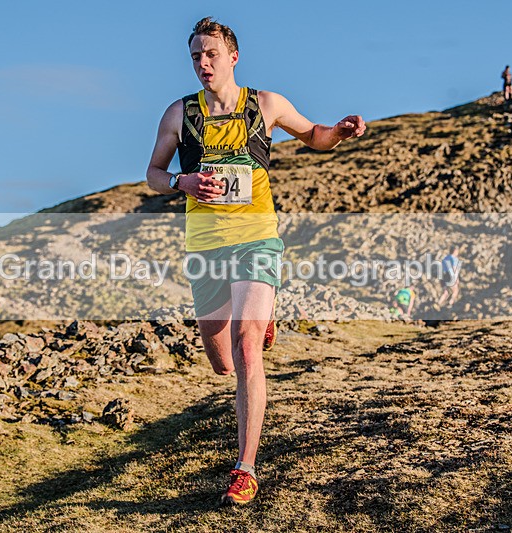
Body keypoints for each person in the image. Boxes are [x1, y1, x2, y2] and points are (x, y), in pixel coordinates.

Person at [146, 17, 366, 506]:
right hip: (205, 246)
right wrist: (181, 183)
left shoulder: (266, 105)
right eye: (195, 57)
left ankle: (245, 468)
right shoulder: (179, 114)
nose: (203, 64)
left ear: (233, 57)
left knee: (248, 351)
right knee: (221, 361)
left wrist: (341, 131)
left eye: (210, 54)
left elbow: (314, 136)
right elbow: (153, 174)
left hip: (256, 239)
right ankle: (256, 322)